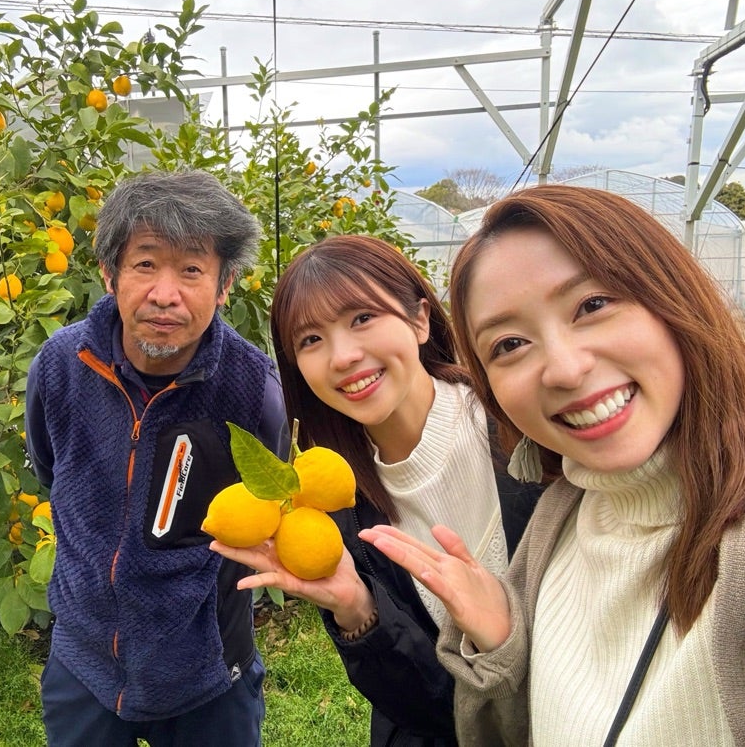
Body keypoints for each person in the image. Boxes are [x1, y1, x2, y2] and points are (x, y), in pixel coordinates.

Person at [361, 184, 745, 746]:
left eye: (592, 306)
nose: (565, 369)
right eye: (511, 344)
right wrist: (504, 647)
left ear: (673, 297)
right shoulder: (561, 520)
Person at [209, 234, 543, 746]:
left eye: (362, 318)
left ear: (419, 319)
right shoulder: (332, 502)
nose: (342, 356)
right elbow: (424, 708)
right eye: (311, 340)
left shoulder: (524, 423)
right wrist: (359, 610)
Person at [25, 170, 288, 747]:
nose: (165, 293)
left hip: (208, 671)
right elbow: (50, 468)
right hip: (85, 663)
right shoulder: (62, 367)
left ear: (224, 286)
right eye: (145, 263)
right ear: (108, 272)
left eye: (192, 269)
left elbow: (270, 505)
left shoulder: (251, 389)